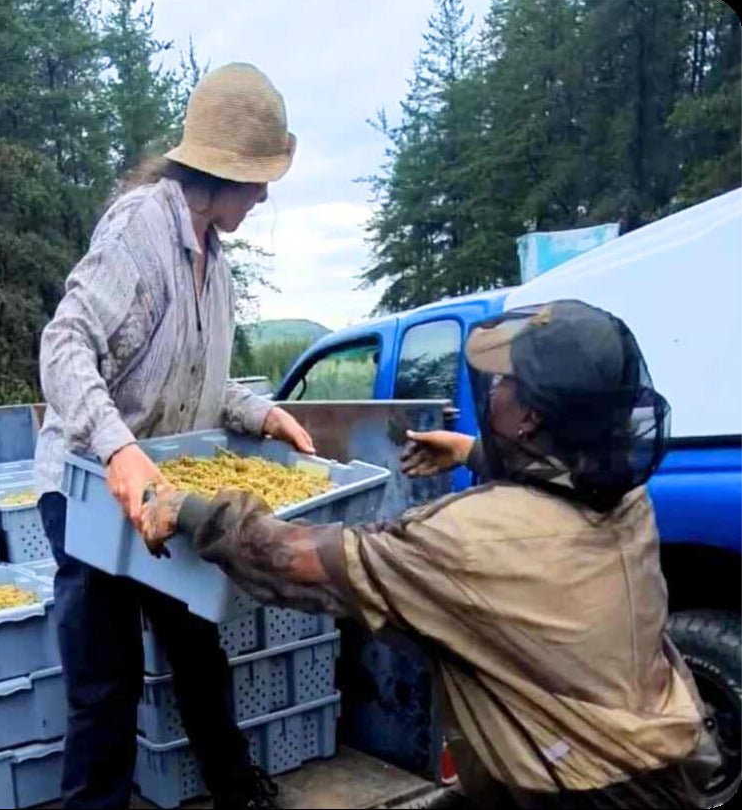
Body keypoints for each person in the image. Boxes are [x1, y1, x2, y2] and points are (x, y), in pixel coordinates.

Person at [141, 300, 723, 809]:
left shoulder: (467, 540)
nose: (492, 389)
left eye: (507, 384)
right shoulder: (626, 500)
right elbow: (553, 494)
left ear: (531, 419)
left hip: (571, 789)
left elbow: (292, 558)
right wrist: (473, 451)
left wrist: (191, 511)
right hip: (667, 762)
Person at [34, 62, 314, 809]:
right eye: (256, 180)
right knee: (106, 681)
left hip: (166, 486)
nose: (261, 196)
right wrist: (118, 449)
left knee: (197, 649)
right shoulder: (139, 227)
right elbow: (64, 345)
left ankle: (234, 789)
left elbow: (199, 381)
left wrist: (260, 413)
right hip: (92, 488)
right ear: (219, 172)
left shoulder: (214, 261)